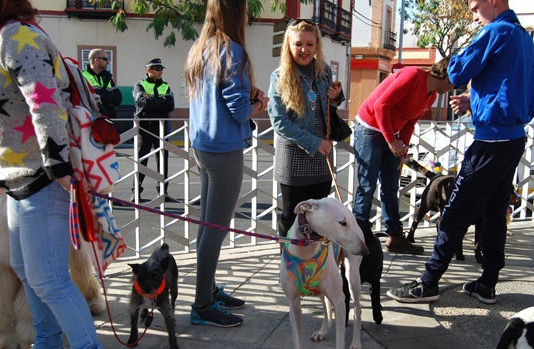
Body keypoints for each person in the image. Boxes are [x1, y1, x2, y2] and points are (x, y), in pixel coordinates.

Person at [0, 0, 102, 347]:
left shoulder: (17, 38)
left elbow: (44, 102)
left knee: (49, 280)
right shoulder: (12, 37)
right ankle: (46, 342)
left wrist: (57, 166)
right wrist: (1, 165)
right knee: (29, 273)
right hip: (22, 178)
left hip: (40, 177)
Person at [387, 0, 534, 304]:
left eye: (474, 6)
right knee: (495, 213)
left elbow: (456, 70)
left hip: (491, 142)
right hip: (513, 138)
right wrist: (476, 101)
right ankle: (487, 283)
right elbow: (507, 85)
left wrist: (465, 60)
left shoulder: (495, 31)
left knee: (455, 212)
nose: (472, 15)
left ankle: (428, 283)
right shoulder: (523, 36)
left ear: (493, 1)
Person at [184, 0, 268, 328]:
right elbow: (239, 110)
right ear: (237, 13)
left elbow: (219, 98)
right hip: (223, 150)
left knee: (208, 227)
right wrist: (257, 103)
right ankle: (203, 304)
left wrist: (248, 97)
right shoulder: (232, 50)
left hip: (203, 146)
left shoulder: (200, 48)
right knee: (215, 230)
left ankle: (208, 289)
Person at [353, 56, 454, 255]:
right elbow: (381, 106)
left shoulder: (431, 95)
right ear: (446, 76)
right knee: (367, 185)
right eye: (453, 83)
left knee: (391, 186)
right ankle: (359, 236)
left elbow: (409, 123)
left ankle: (395, 237)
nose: (452, 89)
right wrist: (391, 140)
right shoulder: (413, 75)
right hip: (370, 128)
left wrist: (402, 152)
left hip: (392, 134)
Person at [267, 18, 343, 237]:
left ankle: (317, 267)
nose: (304, 49)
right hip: (294, 160)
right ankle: (290, 267)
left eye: (310, 44)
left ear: (316, 45)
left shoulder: (324, 71)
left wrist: (337, 97)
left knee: (320, 219)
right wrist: (314, 142)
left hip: (322, 158)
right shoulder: (279, 76)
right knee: (292, 218)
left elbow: (327, 107)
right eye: (298, 44)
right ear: (288, 46)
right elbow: (280, 122)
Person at [132, 58, 175, 202]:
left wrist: (152, 102)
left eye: (161, 69)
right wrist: (160, 101)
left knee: (162, 160)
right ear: (149, 70)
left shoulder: (166, 86)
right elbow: (142, 103)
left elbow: (170, 105)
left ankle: (163, 191)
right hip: (145, 128)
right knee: (142, 159)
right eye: (157, 69)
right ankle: (136, 191)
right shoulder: (140, 85)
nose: (160, 71)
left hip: (161, 127)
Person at [82, 48, 121, 118]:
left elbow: (118, 99)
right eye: (105, 59)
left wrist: (101, 95)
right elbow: (86, 98)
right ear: (96, 60)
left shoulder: (107, 77)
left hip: (108, 119)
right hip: (90, 118)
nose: (108, 62)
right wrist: (107, 96)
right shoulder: (82, 76)